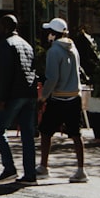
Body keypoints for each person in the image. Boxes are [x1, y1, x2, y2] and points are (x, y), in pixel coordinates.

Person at [36, 17, 88, 183]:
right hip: (74, 96)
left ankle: (44, 166)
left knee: (45, 132)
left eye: (48, 32)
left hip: (58, 98)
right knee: (76, 134)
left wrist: (43, 97)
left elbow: (52, 78)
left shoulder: (53, 51)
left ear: (53, 34)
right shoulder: (73, 48)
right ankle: (81, 170)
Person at [0, 14, 39, 185]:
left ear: (4, 26)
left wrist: (0, 98)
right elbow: (33, 69)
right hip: (29, 93)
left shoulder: (6, 44)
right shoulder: (27, 45)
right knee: (27, 135)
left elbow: (4, 73)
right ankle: (30, 174)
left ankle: (9, 167)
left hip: (14, 93)